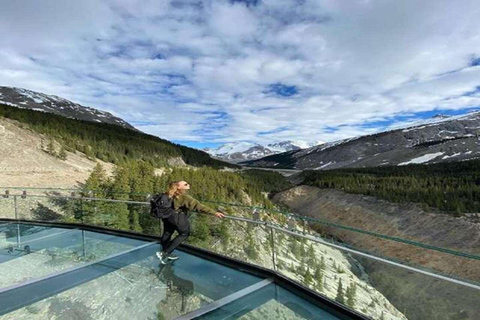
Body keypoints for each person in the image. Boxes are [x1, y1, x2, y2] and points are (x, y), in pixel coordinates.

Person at [156, 180, 225, 264]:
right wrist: (214, 212)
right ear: (178, 187)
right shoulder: (184, 197)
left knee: (167, 233)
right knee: (184, 234)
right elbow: (198, 206)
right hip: (178, 217)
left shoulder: (167, 193)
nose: (188, 185)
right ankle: (165, 253)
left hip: (167, 217)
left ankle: (164, 250)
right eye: (185, 184)